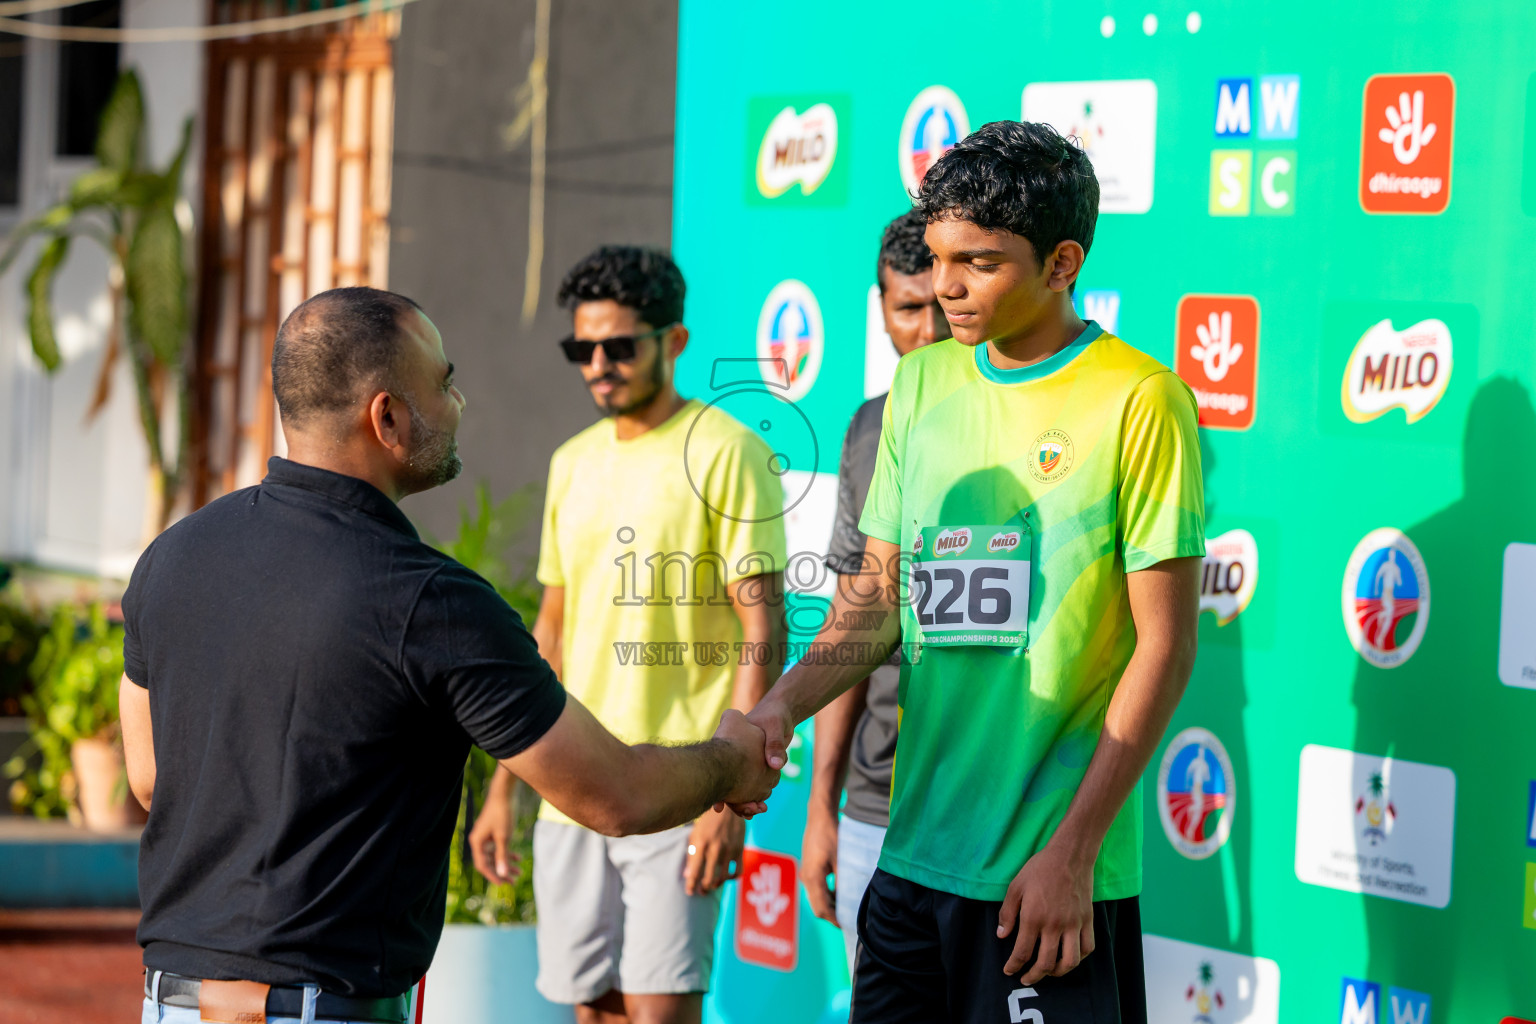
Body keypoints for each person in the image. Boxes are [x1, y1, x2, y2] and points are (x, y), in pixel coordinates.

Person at [119, 287, 779, 1024]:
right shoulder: (431, 602)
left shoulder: (170, 558)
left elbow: (151, 777)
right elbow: (616, 796)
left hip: (168, 1000)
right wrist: (731, 759)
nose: (460, 402)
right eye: (444, 383)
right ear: (388, 416)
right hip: (322, 1007)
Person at [746, 121, 1205, 1023]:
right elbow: (874, 599)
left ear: (1063, 263)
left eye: (980, 263)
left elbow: (1166, 646)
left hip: (1042, 883)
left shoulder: (1142, 400)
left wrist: (1073, 853)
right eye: (939, 256)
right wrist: (775, 711)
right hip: (910, 864)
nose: (945, 286)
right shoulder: (919, 388)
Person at [469, 246, 787, 1024]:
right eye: (583, 349)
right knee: (593, 1011)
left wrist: (727, 792)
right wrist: (508, 785)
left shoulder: (727, 450)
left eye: (620, 346)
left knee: (659, 1013)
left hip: (678, 786)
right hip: (571, 783)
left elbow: (764, 626)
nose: (599, 365)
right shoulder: (571, 462)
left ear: (673, 342)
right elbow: (551, 631)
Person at [798, 208, 949, 971]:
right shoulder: (867, 429)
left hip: (996, 812)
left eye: (943, 304)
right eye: (908, 309)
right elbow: (852, 616)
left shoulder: (1035, 418)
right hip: (873, 802)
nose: (928, 329)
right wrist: (821, 805)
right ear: (882, 312)